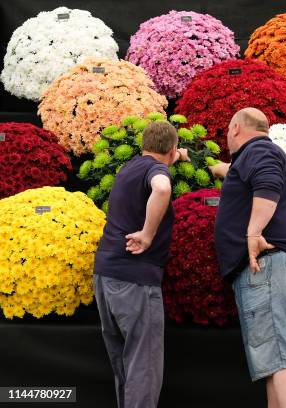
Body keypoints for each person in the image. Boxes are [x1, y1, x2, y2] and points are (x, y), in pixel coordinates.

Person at [211, 108, 286, 408]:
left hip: (270, 263)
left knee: (282, 358)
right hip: (275, 267)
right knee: (274, 361)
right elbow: (239, 173)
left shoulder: (259, 150)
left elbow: (267, 183)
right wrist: (211, 165)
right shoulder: (255, 156)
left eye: (228, 132)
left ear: (236, 128)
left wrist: (253, 233)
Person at [93, 121, 190, 408]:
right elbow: (161, 188)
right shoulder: (158, 172)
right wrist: (147, 234)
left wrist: (179, 156)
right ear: (171, 148)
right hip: (135, 279)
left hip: (105, 274)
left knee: (124, 363)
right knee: (143, 365)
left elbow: (155, 170)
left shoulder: (129, 168)